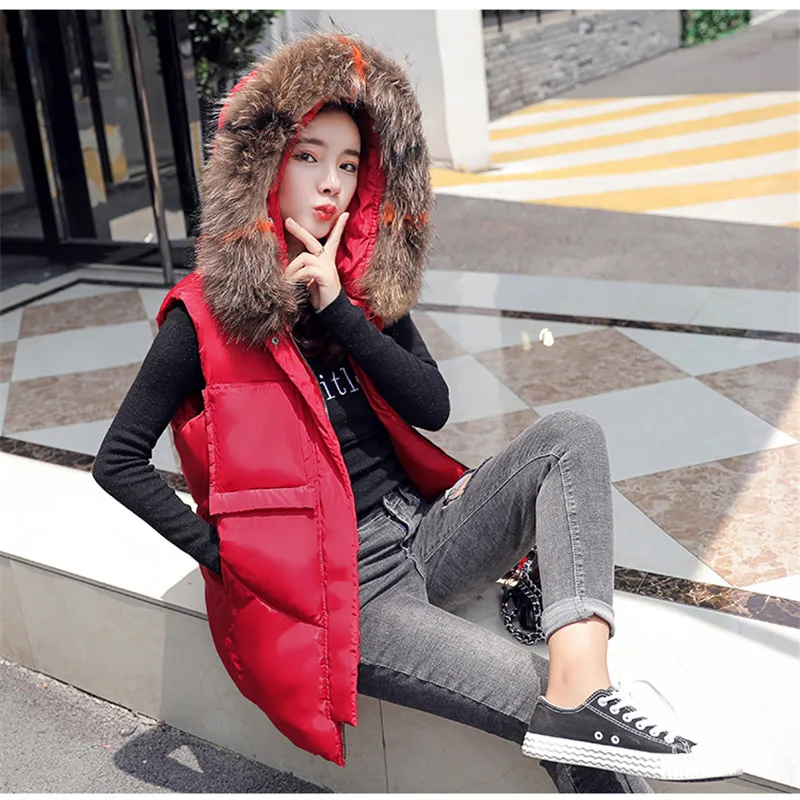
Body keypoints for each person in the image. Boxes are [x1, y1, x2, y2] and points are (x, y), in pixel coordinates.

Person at [93, 32, 741, 792]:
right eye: (308, 156)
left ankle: (584, 681)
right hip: (346, 590)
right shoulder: (202, 317)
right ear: (264, 166)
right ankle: (576, 714)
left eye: (348, 164)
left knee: (570, 436)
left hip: (425, 529)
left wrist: (339, 310)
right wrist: (232, 562)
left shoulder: (360, 284)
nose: (330, 183)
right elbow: (118, 462)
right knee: (527, 695)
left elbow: (431, 406)